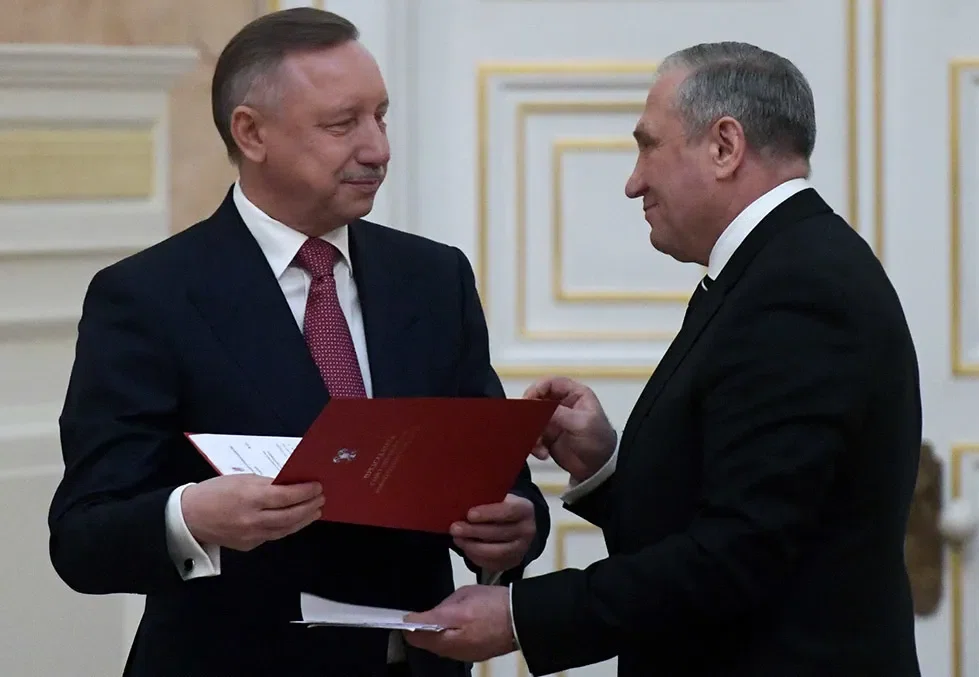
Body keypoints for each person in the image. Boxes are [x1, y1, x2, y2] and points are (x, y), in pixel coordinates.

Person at [47, 8, 549, 677]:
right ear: (251, 133)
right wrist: (192, 516)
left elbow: (496, 478)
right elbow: (83, 537)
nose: (377, 149)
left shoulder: (435, 278)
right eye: (343, 124)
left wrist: (515, 529)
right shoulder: (147, 297)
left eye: (381, 117)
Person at [404, 42, 923, 677]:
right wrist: (603, 464)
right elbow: (727, 507)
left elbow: (737, 555)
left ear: (725, 147)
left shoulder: (797, 289)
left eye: (649, 146)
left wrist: (519, 617)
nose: (634, 182)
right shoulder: (775, 268)